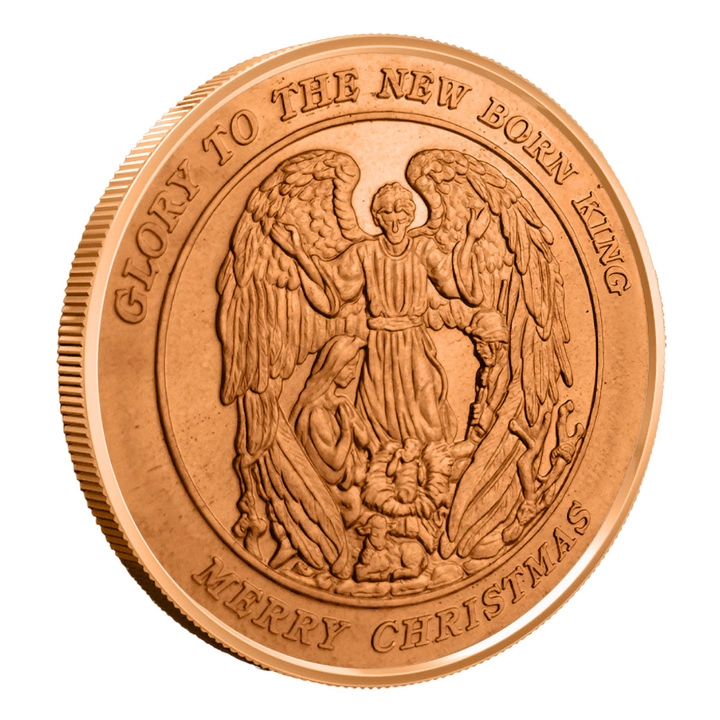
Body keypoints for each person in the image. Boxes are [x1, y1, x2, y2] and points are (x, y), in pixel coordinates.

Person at [273, 182, 487, 447]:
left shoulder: (423, 249)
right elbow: (333, 296)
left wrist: (471, 239)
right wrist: (299, 254)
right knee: (379, 414)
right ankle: (385, 465)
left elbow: (459, 289)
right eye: (387, 213)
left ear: (410, 216)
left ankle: (431, 461)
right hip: (380, 346)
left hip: (414, 343)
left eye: (401, 213)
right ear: (376, 217)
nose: (394, 222)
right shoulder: (365, 252)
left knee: (427, 411)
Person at [291, 335, 371, 528]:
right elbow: (334, 462)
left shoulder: (342, 403)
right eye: (350, 367)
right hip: (332, 490)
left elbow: (364, 440)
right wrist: (346, 430)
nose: (353, 373)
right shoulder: (316, 413)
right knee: (354, 505)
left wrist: (353, 423)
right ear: (335, 367)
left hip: (352, 479)